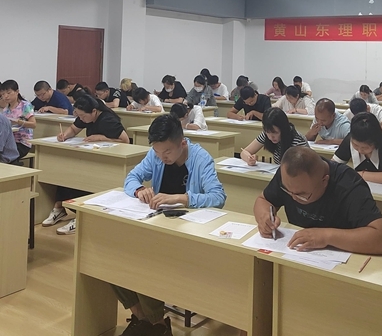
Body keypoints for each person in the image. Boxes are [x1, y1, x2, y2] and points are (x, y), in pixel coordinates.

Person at [118, 114, 226, 336]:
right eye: (157, 151)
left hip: (189, 232)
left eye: (167, 151)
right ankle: (141, 317)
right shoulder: (155, 155)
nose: (161, 157)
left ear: (182, 143)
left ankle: (157, 324)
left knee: (144, 259)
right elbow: (131, 178)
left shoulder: (201, 158)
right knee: (115, 251)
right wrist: (139, 190)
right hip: (158, 226)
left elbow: (218, 197)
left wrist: (181, 198)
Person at [253, 146, 382, 255]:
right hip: (297, 254)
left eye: (302, 194)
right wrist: (264, 217)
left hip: (342, 261)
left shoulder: (349, 185)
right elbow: (264, 199)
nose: (293, 197)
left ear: (324, 181)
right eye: (287, 191)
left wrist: (326, 236)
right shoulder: (289, 176)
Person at [44, 94, 130, 235]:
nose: (81, 119)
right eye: (79, 116)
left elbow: (126, 140)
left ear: (94, 111)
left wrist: (102, 138)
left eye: (83, 116)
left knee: (83, 178)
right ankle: (59, 208)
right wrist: (65, 135)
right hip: (93, 156)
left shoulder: (107, 120)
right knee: (65, 172)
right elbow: (74, 129)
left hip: (109, 160)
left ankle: (82, 214)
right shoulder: (85, 115)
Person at [333, 112, 382, 185]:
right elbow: (333, 166)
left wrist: (358, 174)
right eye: (355, 145)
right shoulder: (350, 139)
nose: (359, 150)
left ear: (376, 142)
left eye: (365, 147)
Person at [241, 107, 308, 165]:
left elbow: (303, 168)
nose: (271, 137)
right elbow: (244, 152)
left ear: (283, 129)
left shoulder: (298, 141)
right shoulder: (267, 133)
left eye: (275, 133)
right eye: (267, 132)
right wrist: (249, 158)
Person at [1, 80, 36, 158]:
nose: (5, 96)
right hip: (8, 142)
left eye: (8, 93)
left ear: (17, 92)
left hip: (22, 142)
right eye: (3, 94)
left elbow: (33, 124)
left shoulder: (25, 105)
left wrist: (19, 122)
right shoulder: (5, 108)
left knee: (3, 155)